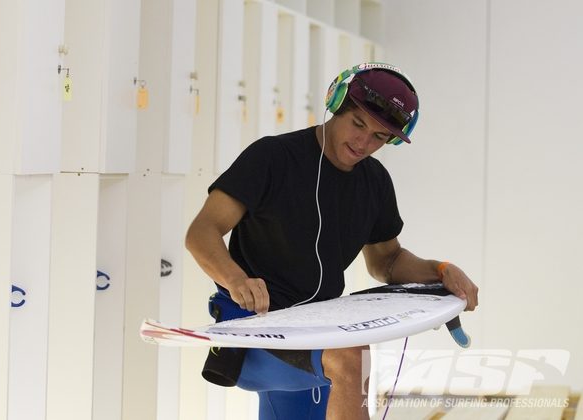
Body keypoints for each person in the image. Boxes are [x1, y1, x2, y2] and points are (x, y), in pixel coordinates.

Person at [185, 62, 479, 420]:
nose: (363, 142)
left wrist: (440, 269)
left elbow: (385, 261)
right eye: (358, 124)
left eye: (379, 137)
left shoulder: (375, 181)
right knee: (349, 355)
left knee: (348, 356)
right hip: (254, 331)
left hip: (318, 330)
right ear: (334, 103)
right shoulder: (272, 158)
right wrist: (235, 280)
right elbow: (202, 231)